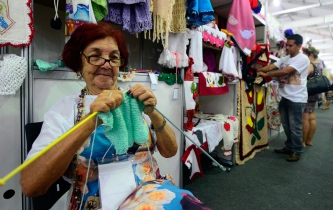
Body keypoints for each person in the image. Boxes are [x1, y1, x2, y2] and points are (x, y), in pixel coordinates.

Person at [20, 22, 210, 210]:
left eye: (114, 58)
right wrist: (90, 122)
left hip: (150, 192)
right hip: (96, 201)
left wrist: (153, 113)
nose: (106, 64)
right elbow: (31, 185)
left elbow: (170, 152)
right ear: (79, 64)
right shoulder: (64, 110)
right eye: (95, 56)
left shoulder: (133, 101)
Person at [258, 34, 309, 162]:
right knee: (286, 125)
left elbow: (286, 71)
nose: (287, 48)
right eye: (287, 45)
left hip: (297, 99)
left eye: (290, 45)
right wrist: (258, 70)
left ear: (299, 46)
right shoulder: (285, 58)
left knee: (295, 126)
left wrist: (266, 75)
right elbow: (273, 66)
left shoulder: (303, 59)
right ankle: (289, 146)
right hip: (284, 97)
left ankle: (296, 151)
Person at [301, 46, 322, 147]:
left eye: (304, 54)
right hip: (315, 93)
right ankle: (309, 140)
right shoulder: (318, 65)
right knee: (312, 117)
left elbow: (303, 77)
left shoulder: (309, 65)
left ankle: (303, 141)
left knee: (305, 117)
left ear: (310, 55)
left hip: (308, 92)